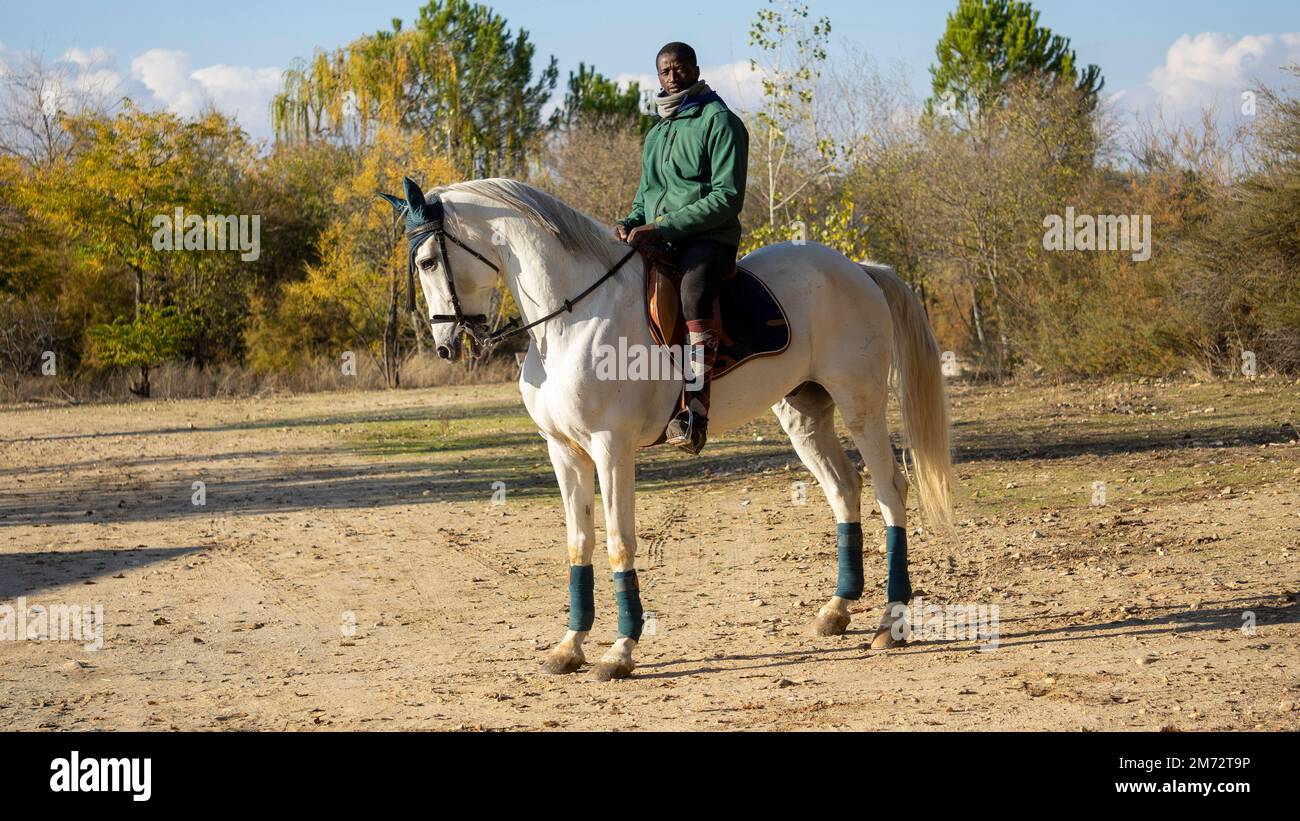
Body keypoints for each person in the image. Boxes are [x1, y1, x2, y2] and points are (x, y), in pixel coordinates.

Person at [615, 41, 749, 455]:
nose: (672, 77)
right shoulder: (657, 132)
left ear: (695, 69)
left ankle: (695, 411)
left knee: (693, 294)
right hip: (661, 238)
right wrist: (630, 222)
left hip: (709, 240)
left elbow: (727, 197)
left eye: (679, 68)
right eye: (665, 71)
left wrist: (662, 226)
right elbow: (645, 197)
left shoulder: (720, 121)